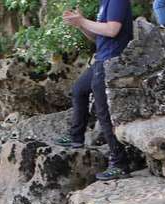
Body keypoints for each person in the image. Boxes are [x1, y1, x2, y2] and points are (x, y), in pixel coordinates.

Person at [55, 0, 133, 181]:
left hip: (111, 62)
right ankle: (76, 137)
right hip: (101, 59)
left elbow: (112, 30)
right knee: (79, 90)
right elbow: (99, 36)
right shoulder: (104, 2)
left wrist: (82, 21)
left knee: (103, 114)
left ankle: (120, 164)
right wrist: (80, 23)